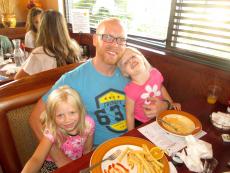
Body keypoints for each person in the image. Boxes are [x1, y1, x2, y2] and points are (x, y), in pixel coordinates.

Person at [29, 17, 169, 167]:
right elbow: (35, 118)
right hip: (99, 153)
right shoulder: (73, 79)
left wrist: (164, 105)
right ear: (95, 40)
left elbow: (157, 92)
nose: (115, 45)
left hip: (133, 143)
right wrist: (60, 159)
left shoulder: (129, 72)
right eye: (108, 37)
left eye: (121, 40)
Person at [21, 85, 95, 173]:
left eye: (72, 112)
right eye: (60, 115)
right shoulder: (52, 130)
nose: (67, 120)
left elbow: (87, 150)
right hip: (52, 165)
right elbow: (36, 159)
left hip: (76, 162)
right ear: (52, 117)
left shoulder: (88, 124)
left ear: (80, 110)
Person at [118, 47, 181, 130]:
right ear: (124, 72)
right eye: (126, 62)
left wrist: (171, 102)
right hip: (141, 122)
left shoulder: (155, 73)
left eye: (133, 56)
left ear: (141, 57)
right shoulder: (131, 90)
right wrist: (131, 133)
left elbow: (161, 88)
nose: (131, 61)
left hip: (161, 114)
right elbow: (129, 114)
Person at [14, 10, 81, 80]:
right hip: (68, 90)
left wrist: (25, 63)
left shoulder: (39, 53)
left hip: (50, 90)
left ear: (42, 29)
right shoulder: (73, 46)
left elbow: (17, 79)